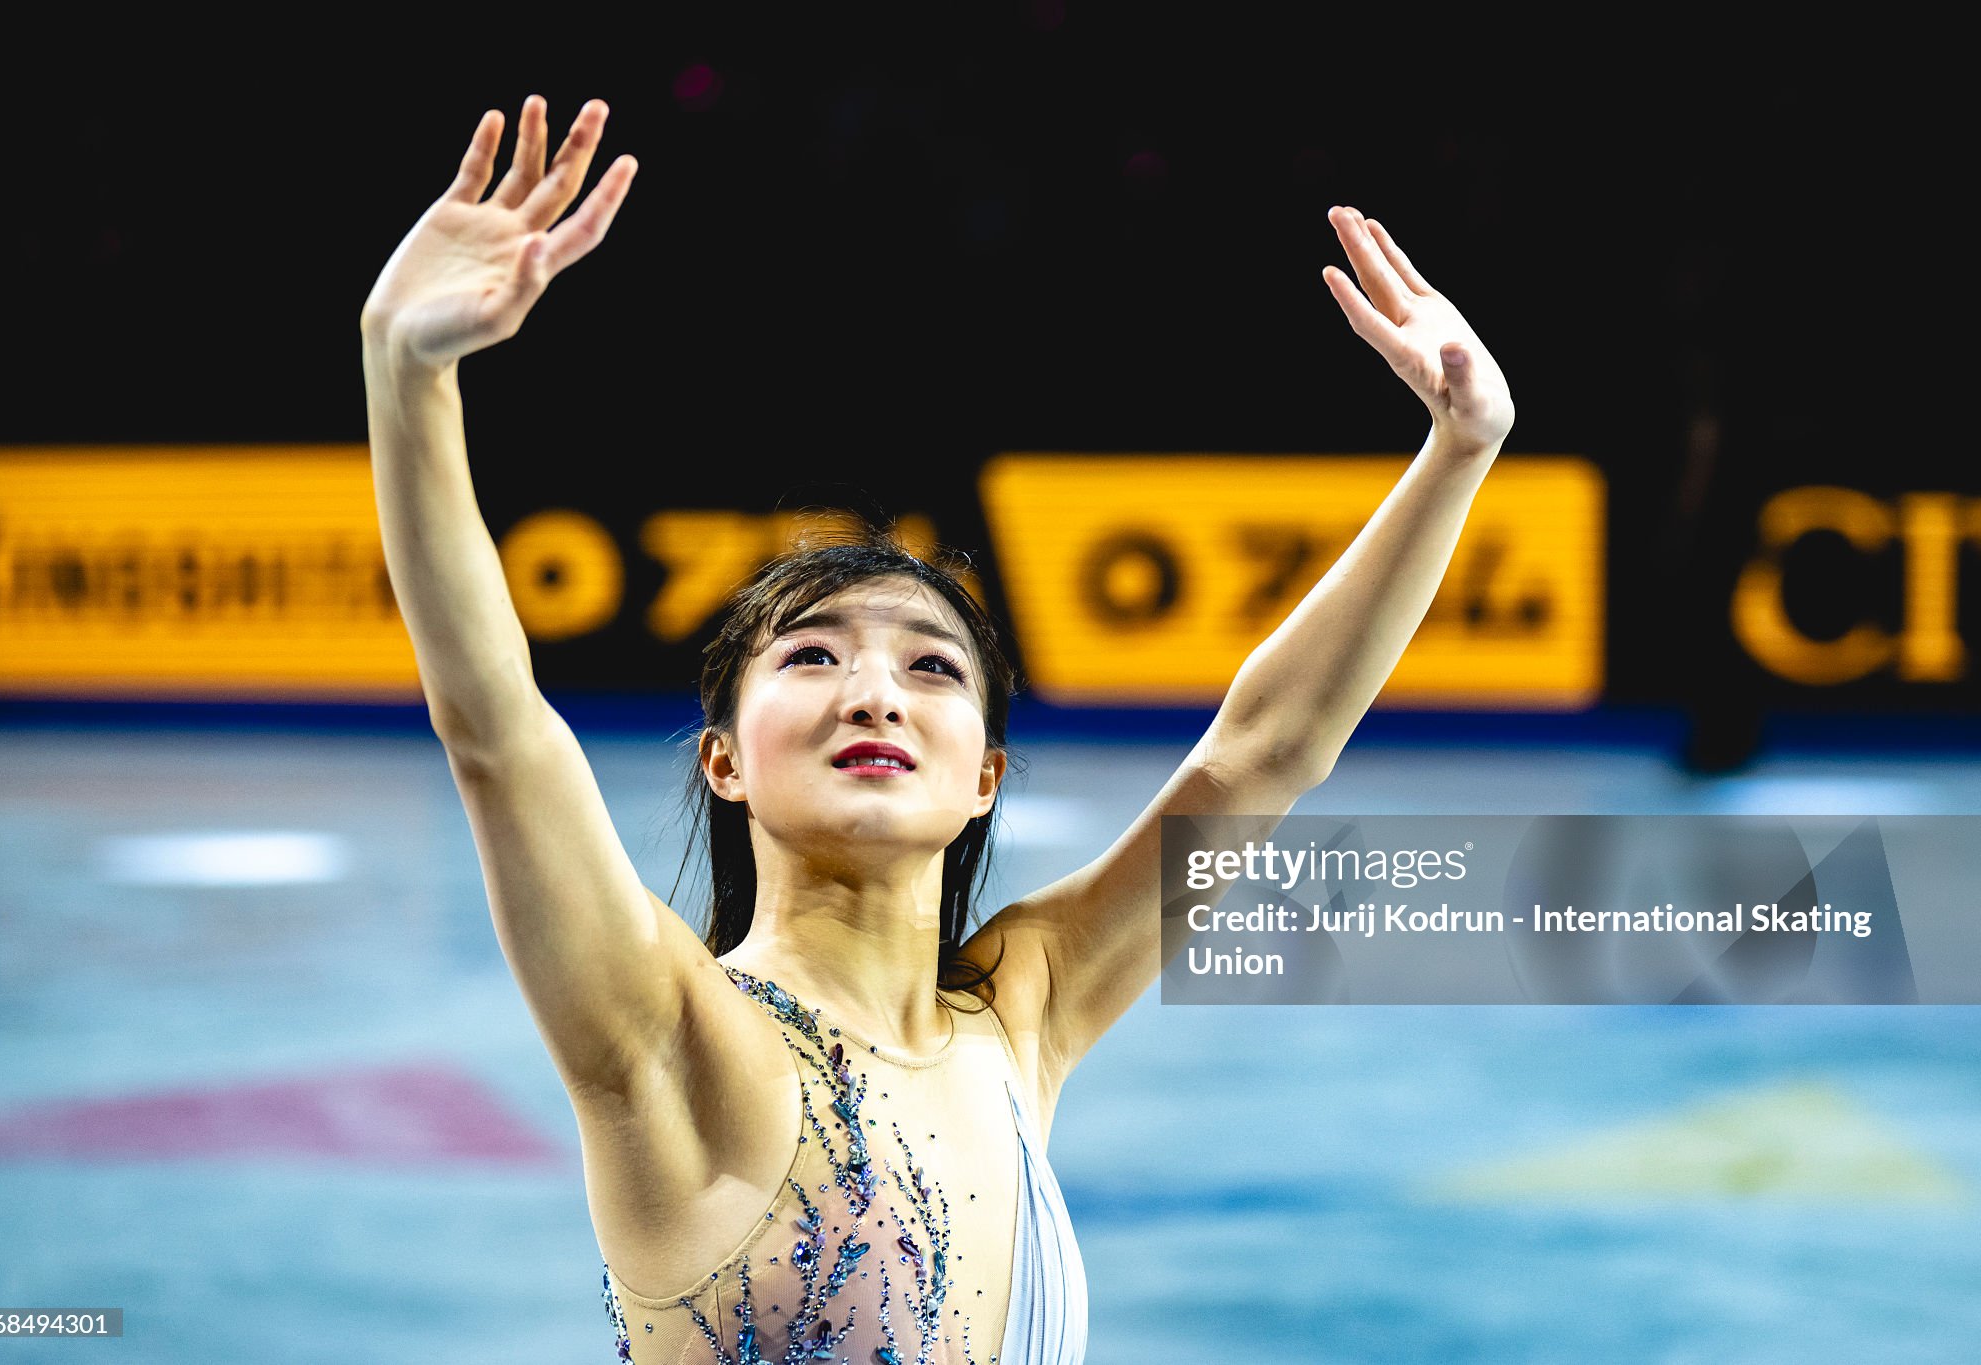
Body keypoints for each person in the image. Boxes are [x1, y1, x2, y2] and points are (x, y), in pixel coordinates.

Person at [361, 94, 1513, 1365]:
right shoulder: (671, 1035)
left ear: (985, 779)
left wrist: (1459, 447)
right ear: (723, 760)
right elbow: (495, 730)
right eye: (812, 657)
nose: (875, 695)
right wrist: (406, 373)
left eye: (930, 668)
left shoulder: (1023, 1011)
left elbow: (1263, 750)